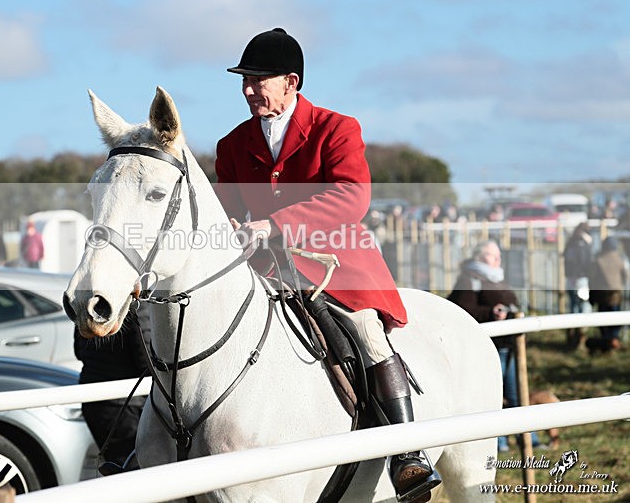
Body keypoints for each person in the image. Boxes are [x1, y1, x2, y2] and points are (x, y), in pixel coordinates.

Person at [216, 27, 438, 502]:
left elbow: (351, 196)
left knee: (366, 332)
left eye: (259, 80)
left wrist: (274, 225)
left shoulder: (337, 127)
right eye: (244, 80)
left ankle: (408, 454)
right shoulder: (232, 145)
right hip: (264, 268)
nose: (249, 90)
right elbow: (229, 206)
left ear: (291, 82)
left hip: (334, 262)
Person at [447, 241, 542, 452]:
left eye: (498, 255)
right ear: (480, 257)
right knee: (493, 395)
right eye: (492, 255)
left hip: (508, 344)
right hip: (488, 346)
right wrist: (491, 314)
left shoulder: (498, 276)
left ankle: (528, 437)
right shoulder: (470, 279)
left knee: (516, 393)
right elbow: (463, 309)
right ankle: (497, 440)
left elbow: (513, 301)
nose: (497, 259)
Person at [74, 306, 151, 475]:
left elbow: (78, 351)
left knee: (117, 467)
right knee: (134, 472)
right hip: (125, 404)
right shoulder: (136, 306)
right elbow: (145, 360)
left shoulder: (87, 304)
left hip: (92, 399)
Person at [587, 236, 628, 353]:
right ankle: (613, 340)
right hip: (616, 295)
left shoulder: (599, 260)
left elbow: (593, 279)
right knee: (615, 319)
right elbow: (625, 277)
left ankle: (607, 342)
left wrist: (592, 294)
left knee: (603, 321)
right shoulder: (619, 259)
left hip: (602, 295)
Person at [562, 222, 593, 348]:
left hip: (573, 279)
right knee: (582, 308)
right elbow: (582, 261)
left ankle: (573, 338)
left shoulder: (571, 242)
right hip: (579, 280)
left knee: (574, 307)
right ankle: (579, 338)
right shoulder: (580, 243)